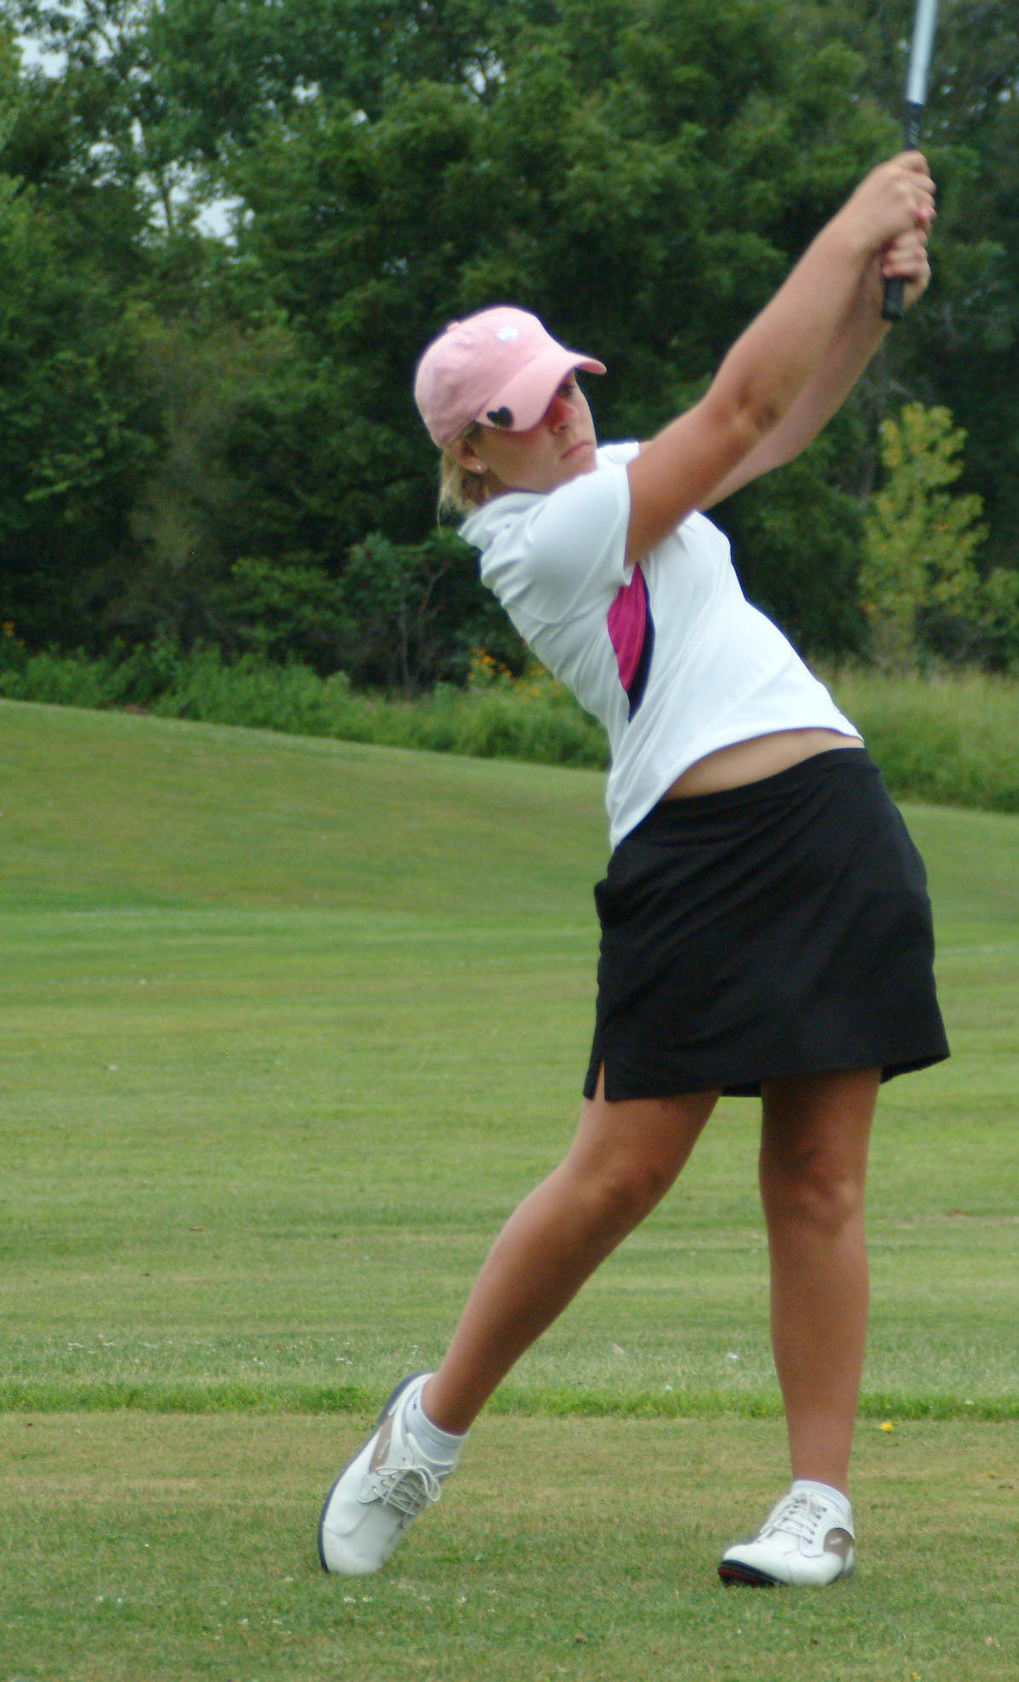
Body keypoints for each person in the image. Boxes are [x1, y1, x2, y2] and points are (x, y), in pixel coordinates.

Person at [317, 150, 949, 1589]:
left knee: (818, 1181)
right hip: (692, 854)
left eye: (563, 386)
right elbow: (731, 404)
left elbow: (769, 425)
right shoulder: (536, 539)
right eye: (525, 413)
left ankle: (815, 1502)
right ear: (472, 452)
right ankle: (425, 1432)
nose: (563, 413)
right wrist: (843, 220)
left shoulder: (606, 475)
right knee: (615, 1178)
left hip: (833, 819)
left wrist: (867, 300)